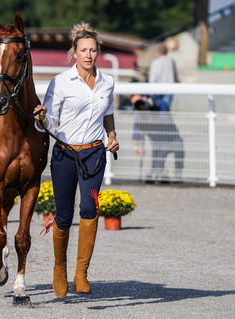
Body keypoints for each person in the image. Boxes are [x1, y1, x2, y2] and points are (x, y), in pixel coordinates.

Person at [33, 23, 119, 298]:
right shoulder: (60, 82)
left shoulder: (107, 82)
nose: (89, 55)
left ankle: (81, 274)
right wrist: (41, 118)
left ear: (98, 52)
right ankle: (60, 268)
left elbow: (108, 113)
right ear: (74, 52)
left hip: (94, 154)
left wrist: (112, 135)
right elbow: (48, 121)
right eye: (83, 50)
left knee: (90, 208)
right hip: (65, 154)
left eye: (93, 50)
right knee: (65, 214)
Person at [131, 94, 184, 182]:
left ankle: (177, 178)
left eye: (139, 101)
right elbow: (136, 131)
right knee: (157, 165)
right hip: (157, 143)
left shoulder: (160, 104)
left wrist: (150, 113)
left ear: (145, 97)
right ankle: (158, 176)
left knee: (179, 159)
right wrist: (136, 147)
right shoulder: (140, 114)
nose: (140, 104)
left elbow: (166, 121)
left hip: (173, 139)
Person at [148, 44, 179, 109]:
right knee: (165, 108)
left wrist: (150, 89)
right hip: (169, 88)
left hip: (156, 88)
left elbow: (153, 77)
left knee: (156, 108)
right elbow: (175, 75)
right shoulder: (171, 61)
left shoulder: (155, 62)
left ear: (158, 52)